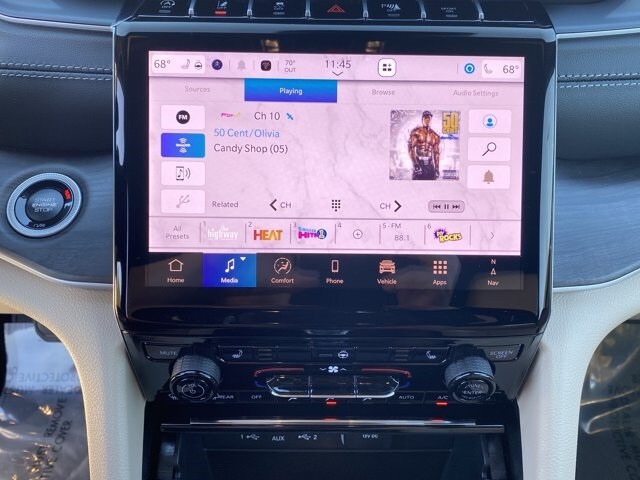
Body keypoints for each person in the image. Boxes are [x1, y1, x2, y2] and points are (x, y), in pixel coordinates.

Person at [408, 111, 441, 180]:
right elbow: (411, 148)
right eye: (425, 118)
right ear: (422, 119)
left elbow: (436, 153)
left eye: (429, 118)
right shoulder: (416, 132)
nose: (427, 120)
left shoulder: (435, 136)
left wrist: (437, 168)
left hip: (430, 165)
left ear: (431, 120)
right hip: (419, 163)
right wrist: (415, 164)